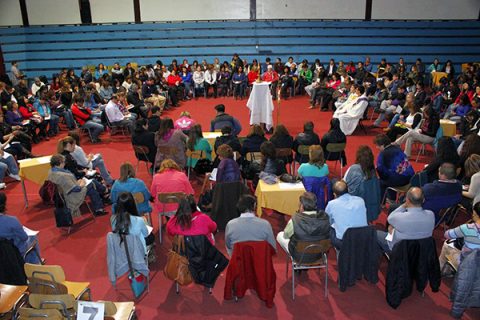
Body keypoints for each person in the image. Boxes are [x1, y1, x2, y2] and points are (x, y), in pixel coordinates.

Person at [376, 187, 435, 254]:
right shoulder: (431, 215)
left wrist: (404, 205)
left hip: (399, 249)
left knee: (374, 234)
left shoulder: (400, 218)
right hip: (422, 249)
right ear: (423, 200)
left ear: (407, 200)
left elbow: (390, 218)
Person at [276, 192, 330, 258]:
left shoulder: (294, 220)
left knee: (280, 235)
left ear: (301, 206)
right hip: (320, 254)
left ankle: (296, 259)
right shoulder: (325, 218)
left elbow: (286, 236)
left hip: (300, 256)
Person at [0, 192, 42, 263]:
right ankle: (36, 264)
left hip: (3, 252)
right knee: (33, 237)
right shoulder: (12, 220)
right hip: (14, 250)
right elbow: (24, 238)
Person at [438, 202, 480, 272]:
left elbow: (447, 234)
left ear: (475, 213)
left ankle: (439, 269)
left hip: (468, 265)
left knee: (447, 244)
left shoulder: (468, 228)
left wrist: (463, 228)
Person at [325, 180, 368, 249]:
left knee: (327, 228)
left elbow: (328, 221)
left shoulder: (332, 204)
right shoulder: (360, 200)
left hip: (343, 241)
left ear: (334, 194)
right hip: (363, 237)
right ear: (348, 190)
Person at [374, 134, 414, 201]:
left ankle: (382, 202)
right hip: (411, 178)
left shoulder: (383, 154)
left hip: (401, 181)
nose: (376, 147)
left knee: (381, 181)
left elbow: (381, 172)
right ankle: (391, 197)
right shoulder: (398, 148)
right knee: (392, 173)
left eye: (377, 145)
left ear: (382, 145)